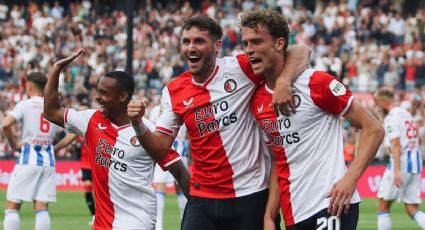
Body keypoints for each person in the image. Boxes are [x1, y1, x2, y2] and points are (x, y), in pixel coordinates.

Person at [127, 15, 310, 230]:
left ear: (217, 46)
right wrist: (138, 124)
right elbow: (160, 148)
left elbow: (300, 51)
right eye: (186, 41)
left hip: (250, 195)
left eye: (199, 41)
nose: (191, 47)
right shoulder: (174, 91)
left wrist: (284, 80)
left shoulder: (241, 68)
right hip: (203, 199)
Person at [240, 10, 384, 229]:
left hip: (331, 204)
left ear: (279, 44)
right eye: (246, 43)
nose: (249, 50)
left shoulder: (317, 83)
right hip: (294, 211)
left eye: (256, 42)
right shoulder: (258, 101)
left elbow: (373, 128)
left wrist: (351, 178)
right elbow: (279, 161)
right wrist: (269, 216)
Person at [43, 49, 190, 230]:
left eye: (103, 93)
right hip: (103, 224)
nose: (97, 97)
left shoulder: (148, 131)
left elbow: (181, 173)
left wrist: (202, 212)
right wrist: (56, 70)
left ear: (123, 97)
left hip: (138, 221)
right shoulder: (91, 120)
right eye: (98, 92)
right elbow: (51, 112)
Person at [2, 72, 59, 230]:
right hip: (48, 160)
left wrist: (13, 144)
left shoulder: (25, 104)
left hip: (29, 158)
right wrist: (58, 147)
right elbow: (74, 131)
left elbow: (6, 124)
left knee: (12, 206)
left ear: (29, 86)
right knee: (42, 208)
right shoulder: (53, 105)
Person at [373, 87, 425, 230]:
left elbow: (395, 144)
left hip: (401, 164)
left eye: (377, 102)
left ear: (384, 101)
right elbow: (418, 139)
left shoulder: (391, 118)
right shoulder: (406, 114)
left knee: (383, 206)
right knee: (412, 208)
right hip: (416, 163)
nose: (376, 106)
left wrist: (396, 171)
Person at [53, 102, 96, 226]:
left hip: (98, 163)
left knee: (101, 191)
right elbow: (67, 141)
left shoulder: (95, 125)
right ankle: (94, 215)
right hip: (85, 163)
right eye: (79, 111)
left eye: (83, 110)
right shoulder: (78, 128)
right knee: (88, 187)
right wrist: (54, 148)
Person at [149, 104, 189, 230]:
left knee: (161, 186)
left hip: (164, 150)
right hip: (180, 151)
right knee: (182, 187)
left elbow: (151, 132)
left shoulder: (156, 110)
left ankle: (159, 226)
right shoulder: (183, 105)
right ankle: (185, 222)